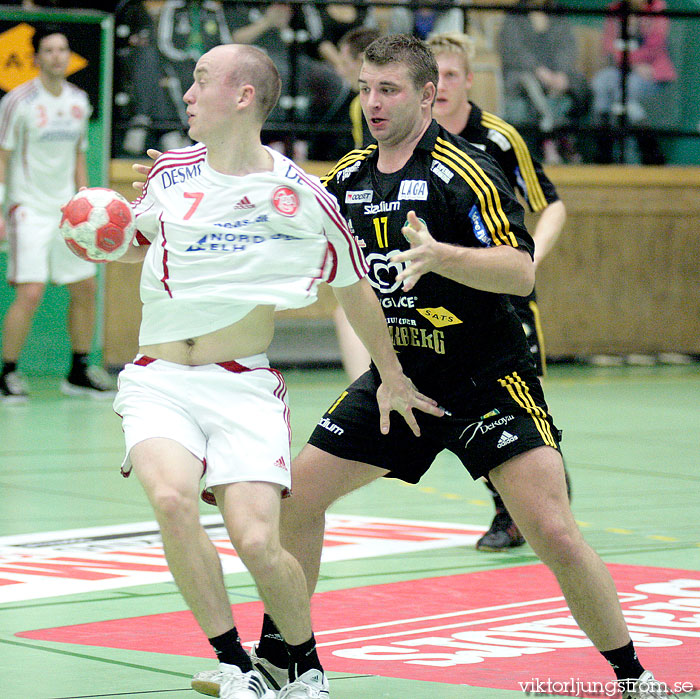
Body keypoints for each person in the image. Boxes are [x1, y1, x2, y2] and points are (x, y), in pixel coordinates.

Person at [240, 34, 670, 699]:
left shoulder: (465, 170)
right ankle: (284, 656)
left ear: (428, 95)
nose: (373, 104)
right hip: (401, 380)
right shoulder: (350, 177)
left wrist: (444, 255)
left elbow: (520, 270)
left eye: (389, 90)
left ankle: (634, 678)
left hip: (486, 379)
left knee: (552, 530)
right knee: (298, 494)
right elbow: (299, 241)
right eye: (364, 89)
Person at [119, 43, 440, 699]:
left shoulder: (300, 196)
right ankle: (232, 663)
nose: (186, 94)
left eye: (200, 80)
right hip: (158, 378)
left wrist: (391, 375)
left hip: (241, 385)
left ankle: (303, 664)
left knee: (259, 540)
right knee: (173, 498)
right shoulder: (168, 173)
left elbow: (354, 288)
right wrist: (107, 230)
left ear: (243, 97)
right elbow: (139, 242)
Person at [426, 30, 571, 550]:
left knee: (517, 395)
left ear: (467, 80)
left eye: (450, 75)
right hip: (442, 298)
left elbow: (549, 203)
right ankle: (517, 500)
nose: (441, 86)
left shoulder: (501, 139)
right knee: (466, 399)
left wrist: (529, 258)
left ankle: (524, 506)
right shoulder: (410, 141)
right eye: (433, 76)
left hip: (505, 295)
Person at [0, 27, 113, 402]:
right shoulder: (18, 102)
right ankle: (8, 373)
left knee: (86, 287)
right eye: (48, 50)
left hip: (69, 213)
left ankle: (79, 370)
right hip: (28, 209)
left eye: (62, 49)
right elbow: (3, 156)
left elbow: (79, 156)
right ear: (36, 58)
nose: (56, 56)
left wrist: (88, 205)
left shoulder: (79, 100)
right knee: (31, 292)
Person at [497, 0, 590, 163]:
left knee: (578, 84)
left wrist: (560, 74)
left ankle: (552, 136)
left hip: (555, 78)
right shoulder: (514, 16)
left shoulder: (559, 16)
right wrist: (539, 71)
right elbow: (513, 52)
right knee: (530, 84)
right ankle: (552, 138)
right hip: (523, 77)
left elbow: (567, 48)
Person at [591, 0, 676, 164]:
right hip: (623, 68)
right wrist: (632, 63)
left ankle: (649, 150)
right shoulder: (615, 10)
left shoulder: (657, 8)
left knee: (623, 90)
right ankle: (604, 149)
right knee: (600, 83)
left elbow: (656, 45)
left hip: (651, 71)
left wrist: (630, 60)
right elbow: (609, 46)